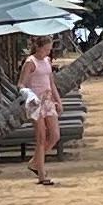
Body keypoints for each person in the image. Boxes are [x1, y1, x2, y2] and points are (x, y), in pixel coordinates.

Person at [18, 35, 62, 186]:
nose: (48, 52)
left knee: (55, 135)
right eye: (46, 49)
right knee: (41, 138)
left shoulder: (47, 61)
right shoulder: (30, 62)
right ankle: (42, 175)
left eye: (50, 49)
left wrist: (58, 100)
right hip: (35, 102)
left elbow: (51, 82)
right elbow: (21, 84)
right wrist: (30, 96)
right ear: (38, 47)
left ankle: (35, 162)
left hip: (48, 99)